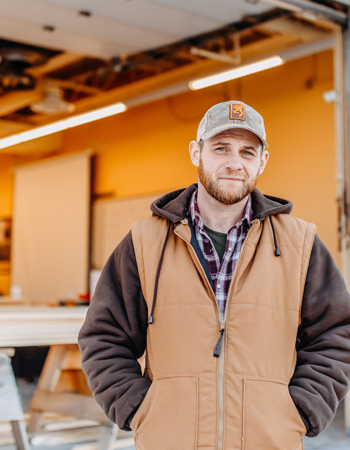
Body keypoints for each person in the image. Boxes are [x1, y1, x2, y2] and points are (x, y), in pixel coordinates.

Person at [78, 101, 350, 450]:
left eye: (247, 152)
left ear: (262, 161)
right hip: (169, 441)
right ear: (196, 152)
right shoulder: (144, 243)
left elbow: (337, 334)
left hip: (270, 441)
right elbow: (103, 337)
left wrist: (301, 409)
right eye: (221, 148)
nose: (234, 163)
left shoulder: (301, 244)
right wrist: (139, 409)